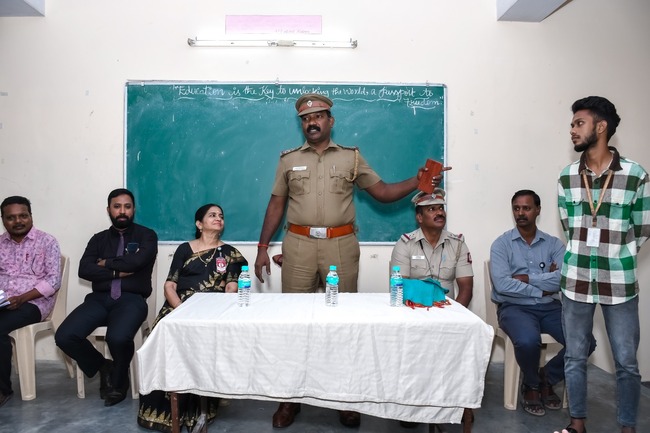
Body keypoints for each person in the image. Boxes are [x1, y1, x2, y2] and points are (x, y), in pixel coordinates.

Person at [254, 93, 442, 429]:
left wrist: (417, 181)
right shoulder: (288, 160)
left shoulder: (351, 158)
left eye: (318, 117)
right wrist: (262, 247)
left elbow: (383, 192)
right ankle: (290, 399)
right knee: (294, 323)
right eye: (305, 119)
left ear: (330, 120)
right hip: (298, 245)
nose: (311, 123)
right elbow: (276, 204)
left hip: (340, 245)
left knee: (343, 323)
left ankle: (345, 398)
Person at [555, 96, 649, 433]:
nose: (572, 129)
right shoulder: (567, 176)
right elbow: (569, 226)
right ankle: (577, 424)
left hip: (619, 282)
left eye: (579, 123)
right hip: (576, 278)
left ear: (601, 126)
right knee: (574, 357)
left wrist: (618, 255)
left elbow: (642, 228)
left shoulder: (635, 175)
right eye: (572, 124)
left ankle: (627, 428)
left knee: (626, 362)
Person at [138, 203, 248, 433]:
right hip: (178, 307)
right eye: (212, 215)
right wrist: (181, 312)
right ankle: (163, 411)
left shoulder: (230, 254)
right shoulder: (184, 249)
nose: (218, 218)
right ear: (199, 224)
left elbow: (231, 288)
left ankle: (200, 409)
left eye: (221, 216)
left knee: (203, 343)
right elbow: (169, 286)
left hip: (212, 311)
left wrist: (216, 312)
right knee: (162, 341)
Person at [55, 188, 158, 407]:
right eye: (117, 206)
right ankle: (104, 366)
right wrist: (117, 272)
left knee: (117, 337)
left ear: (133, 209)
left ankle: (119, 383)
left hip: (131, 299)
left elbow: (137, 262)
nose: (122, 211)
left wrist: (105, 263)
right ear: (108, 210)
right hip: (99, 299)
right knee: (64, 335)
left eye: (127, 207)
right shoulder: (98, 239)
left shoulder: (147, 235)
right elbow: (84, 269)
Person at [390, 188, 474, 433]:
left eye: (440, 208)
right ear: (419, 217)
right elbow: (400, 287)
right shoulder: (405, 244)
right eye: (431, 209)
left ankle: (452, 403)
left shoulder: (458, 243)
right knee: (413, 355)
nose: (439, 212)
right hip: (414, 314)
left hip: (449, 313)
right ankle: (411, 405)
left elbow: (466, 288)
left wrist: (454, 318)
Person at [490, 190, 566, 417]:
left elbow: (563, 279)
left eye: (526, 208)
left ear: (538, 210)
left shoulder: (555, 245)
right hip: (514, 307)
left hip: (550, 306)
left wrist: (528, 278)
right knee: (527, 340)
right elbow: (503, 285)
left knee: (585, 341)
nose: (521, 213)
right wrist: (544, 286)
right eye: (516, 208)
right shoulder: (501, 244)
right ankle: (531, 385)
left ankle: (546, 378)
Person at [0, 196, 61, 408]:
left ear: (31, 216)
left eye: (23, 216)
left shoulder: (47, 242)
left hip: (33, 303)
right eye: (11, 217)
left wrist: (22, 298)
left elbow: (53, 281)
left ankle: (2, 389)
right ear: (3, 220)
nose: (18, 221)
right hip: (3, 301)